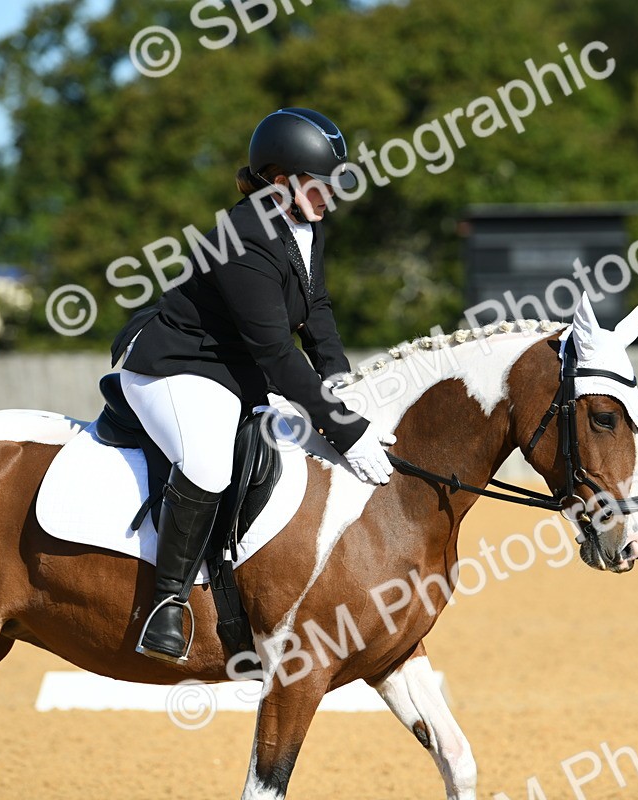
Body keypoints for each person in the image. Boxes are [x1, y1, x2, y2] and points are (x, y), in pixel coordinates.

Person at [109, 108, 395, 663]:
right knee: (208, 465)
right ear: (279, 180)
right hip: (179, 367)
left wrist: (343, 389)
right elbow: (275, 352)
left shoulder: (304, 225)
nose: (333, 196)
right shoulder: (242, 235)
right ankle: (167, 603)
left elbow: (317, 310)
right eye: (322, 183)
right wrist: (345, 429)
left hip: (237, 372)